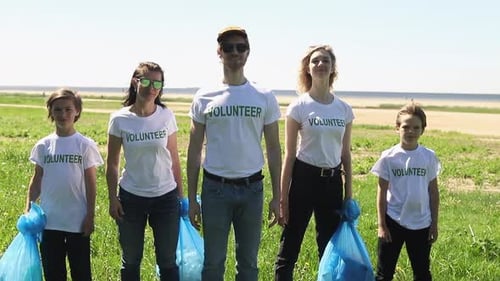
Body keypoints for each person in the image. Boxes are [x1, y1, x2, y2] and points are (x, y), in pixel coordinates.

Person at [186, 26, 282, 281]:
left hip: (252, 190)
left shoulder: (264, 96)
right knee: (213, 263)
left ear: (248, 53)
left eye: (240, 47)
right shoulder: (204, 96)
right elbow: (194, 149)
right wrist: (192, 198)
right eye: (228, 47)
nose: (234, 52)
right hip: (215, 189)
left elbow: (273, 148)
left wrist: (277, 195)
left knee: (249, 265)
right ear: (219, 52)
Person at [274, 45, 354, 280]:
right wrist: (283, 197)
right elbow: (289, 154)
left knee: (330, 249)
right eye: (315, 61)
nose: (320, 65)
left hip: (332, 183)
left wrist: (348, 195)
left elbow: (346, 154)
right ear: (308, 69)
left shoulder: (344, 109)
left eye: (325, 61)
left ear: (333, 68)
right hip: (303, 178)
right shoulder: (299, 106)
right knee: (291, 243)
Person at [106, 62, 183, 281]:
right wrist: (113, 198)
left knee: (168, 261)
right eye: (147, 81)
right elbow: (112, 163)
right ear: (135, 82)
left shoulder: (166, 116)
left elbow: (174, 159)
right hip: (131, 197)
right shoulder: (119, 119)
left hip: (165, 197)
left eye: (157, 83)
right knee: (130, 260)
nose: (152, 88)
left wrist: (181, 196)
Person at [26, 88, 104, 281]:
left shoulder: (84, 145)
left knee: (81, 273)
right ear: (51, 112)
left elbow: (91, 183)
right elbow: (37, 180)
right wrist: (28, 209)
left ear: (77, 111)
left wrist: (90, 216)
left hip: (77, 221)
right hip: (49, 221)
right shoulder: (44, 145)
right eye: (57, 109)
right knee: (53, 273)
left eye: (68, 109)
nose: (63, 114)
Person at [371, 102, 440, 281]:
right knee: (384, 273)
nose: (410, 131)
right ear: (397, 128)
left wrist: (434, 223)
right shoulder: (388, 157)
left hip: (421, 223)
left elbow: (433, 192)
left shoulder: (428, 156)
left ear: (423, 130)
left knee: (422, 273)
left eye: (416, 127)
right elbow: (381, 191)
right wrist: (381, 225)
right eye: (406, 127)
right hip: (393, 222)